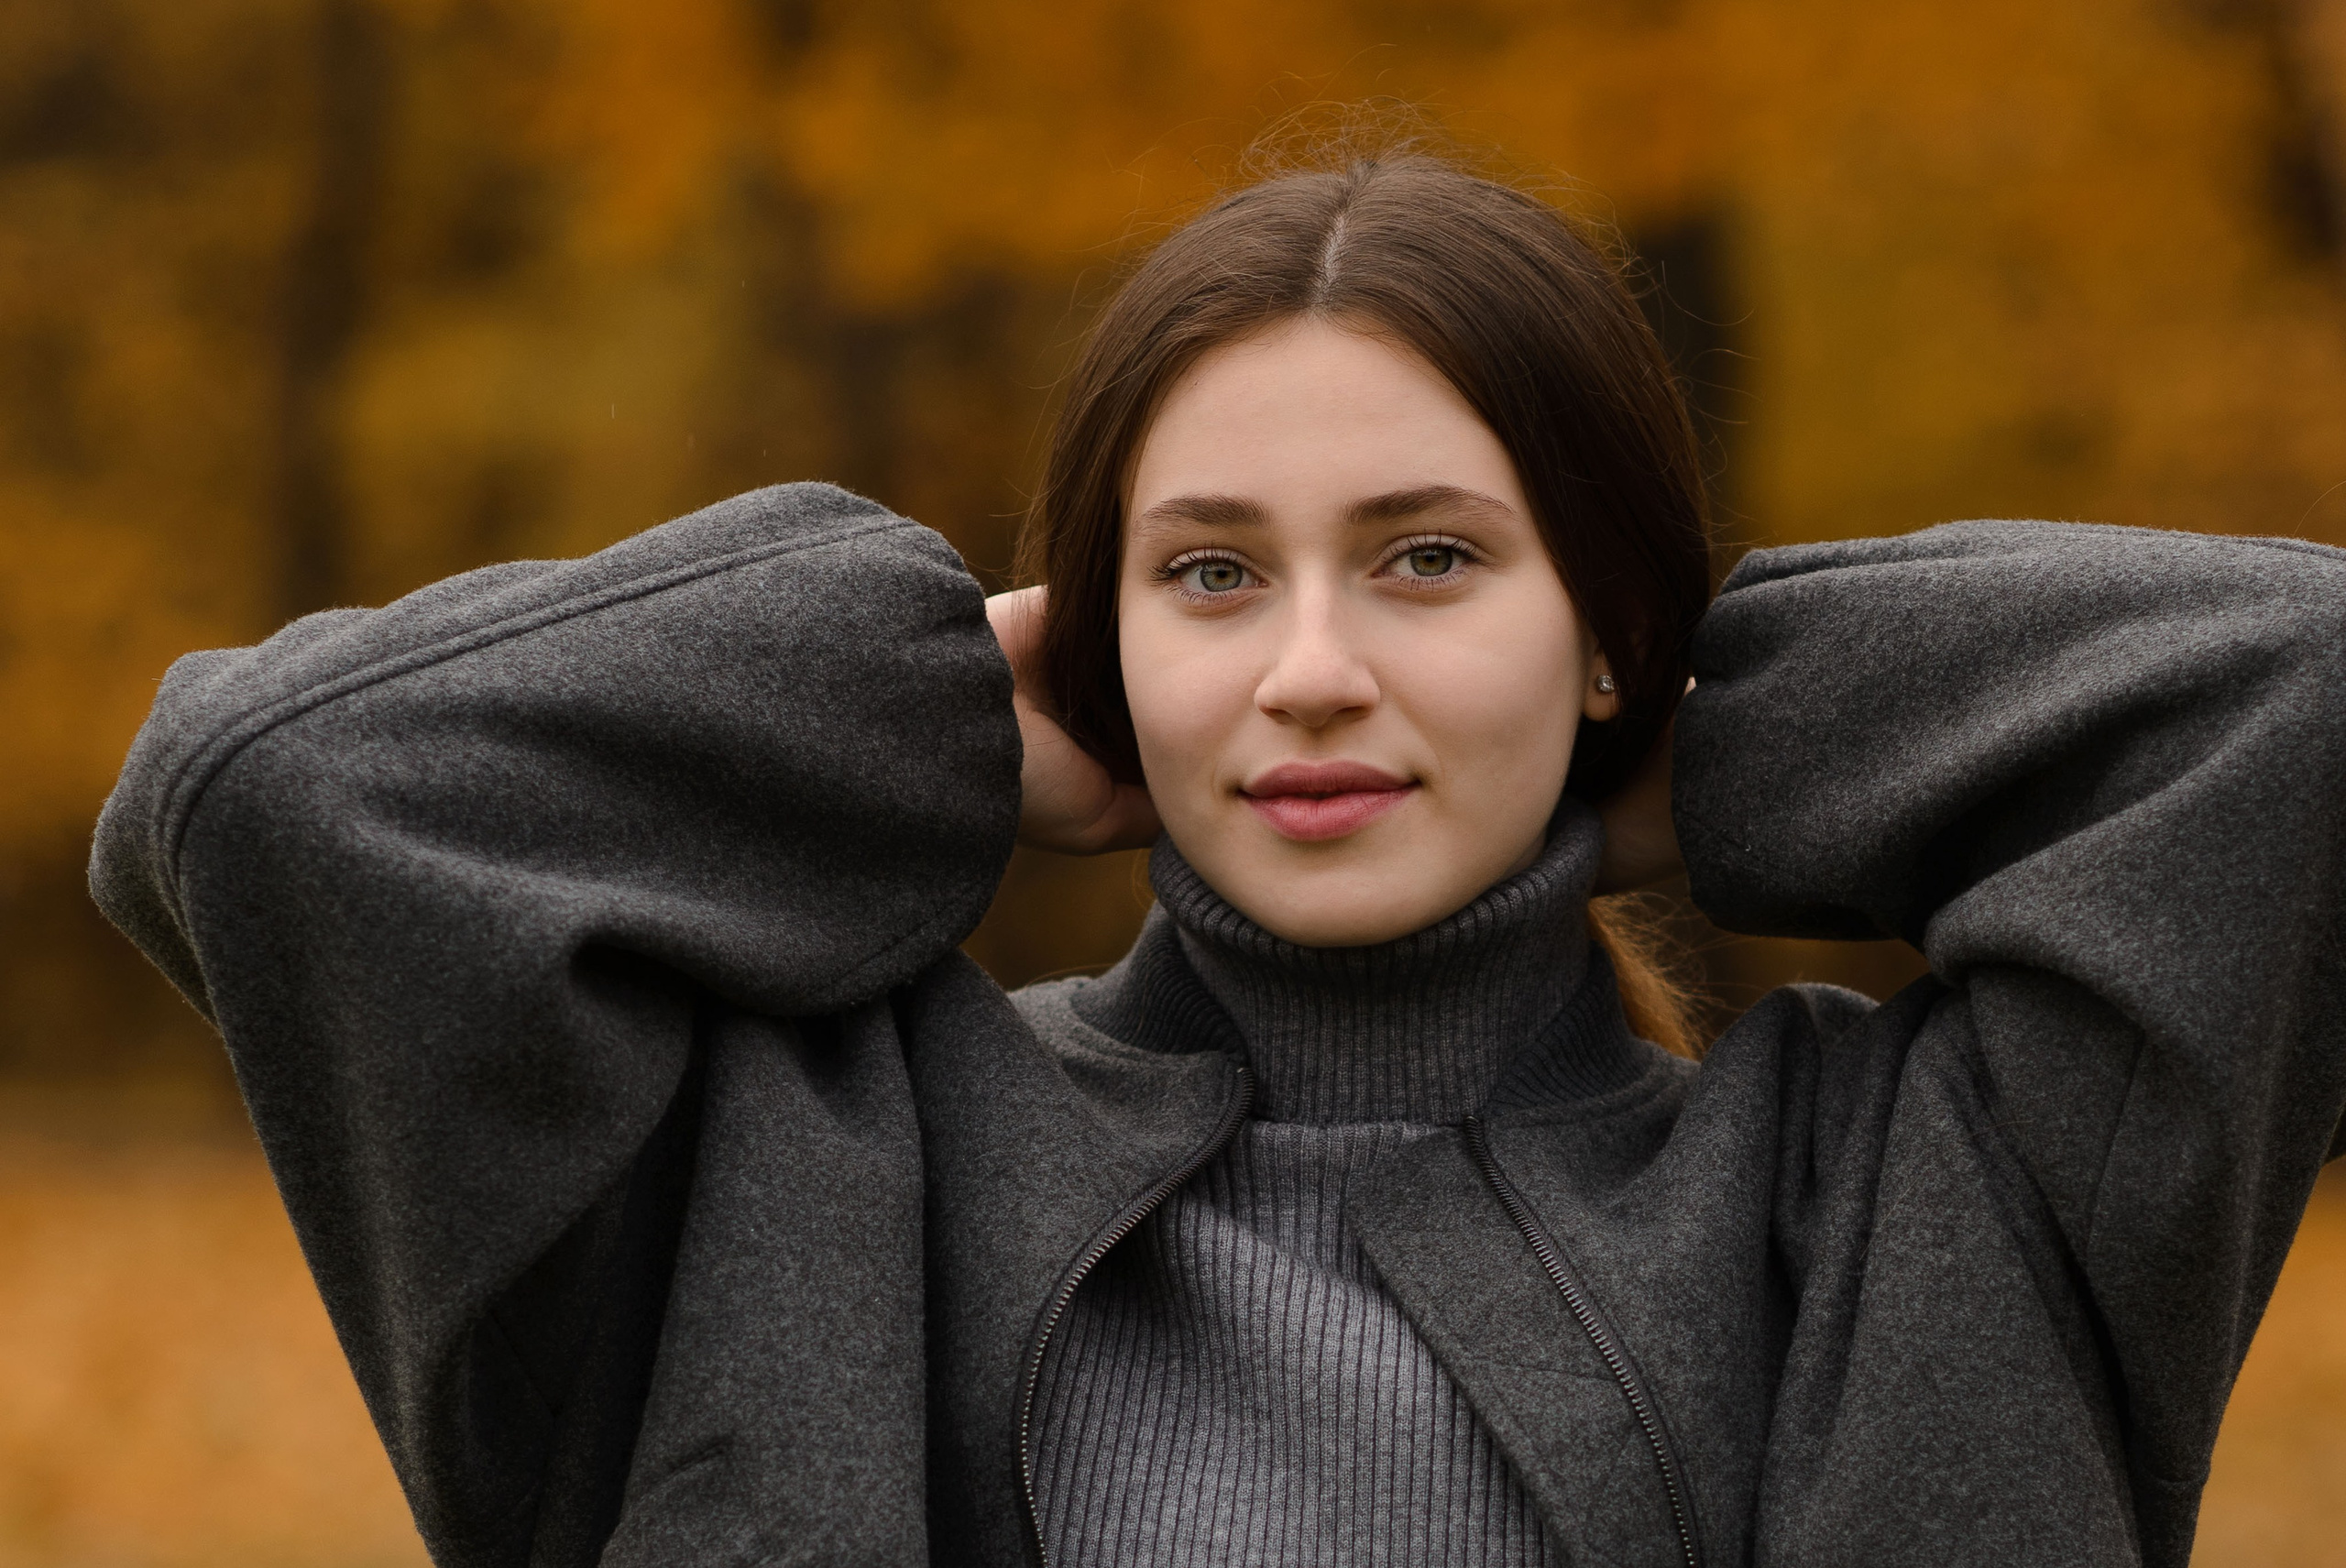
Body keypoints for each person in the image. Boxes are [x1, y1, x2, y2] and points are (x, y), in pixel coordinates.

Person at [90, 148, 2343, 1568]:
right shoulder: (799, 1173)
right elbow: (276, 792)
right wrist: (918, 720)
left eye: (1430, 558)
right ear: (1098, 642)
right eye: (1206, 574)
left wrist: (1708, 737)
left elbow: (2301, 700)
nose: (1310, 672)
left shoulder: (1902, 1198)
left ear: (1598, 627)